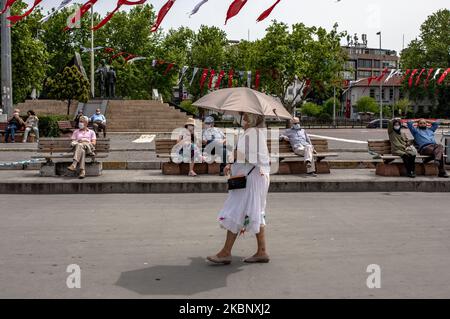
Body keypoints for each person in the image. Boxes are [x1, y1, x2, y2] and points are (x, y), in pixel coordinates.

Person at [207, 113, 271, 265]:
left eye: (247, 117)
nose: (244, 119)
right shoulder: (251, 133)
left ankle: (225, 252)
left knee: (236, 211)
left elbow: (256, 157)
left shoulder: (253, 133)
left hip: (251, 179)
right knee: (254, 212)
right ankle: (261, 251)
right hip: (253, 178)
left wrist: (235, 155)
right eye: (244, 116)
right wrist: (232, 161)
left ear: (254, 119)